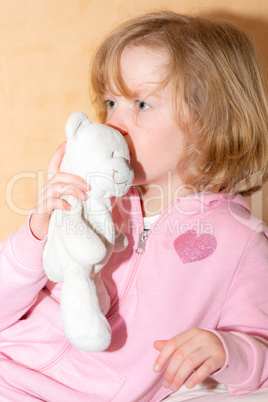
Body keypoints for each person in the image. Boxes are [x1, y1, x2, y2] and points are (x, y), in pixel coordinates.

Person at [1, 10, 268, 402]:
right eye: (110, 102)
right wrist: (34, 236)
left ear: (211, 123)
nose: (113, 123)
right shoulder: (91, 197)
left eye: (141, 104)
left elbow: (260, 355)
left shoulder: (240, 243)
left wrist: (228, 350)